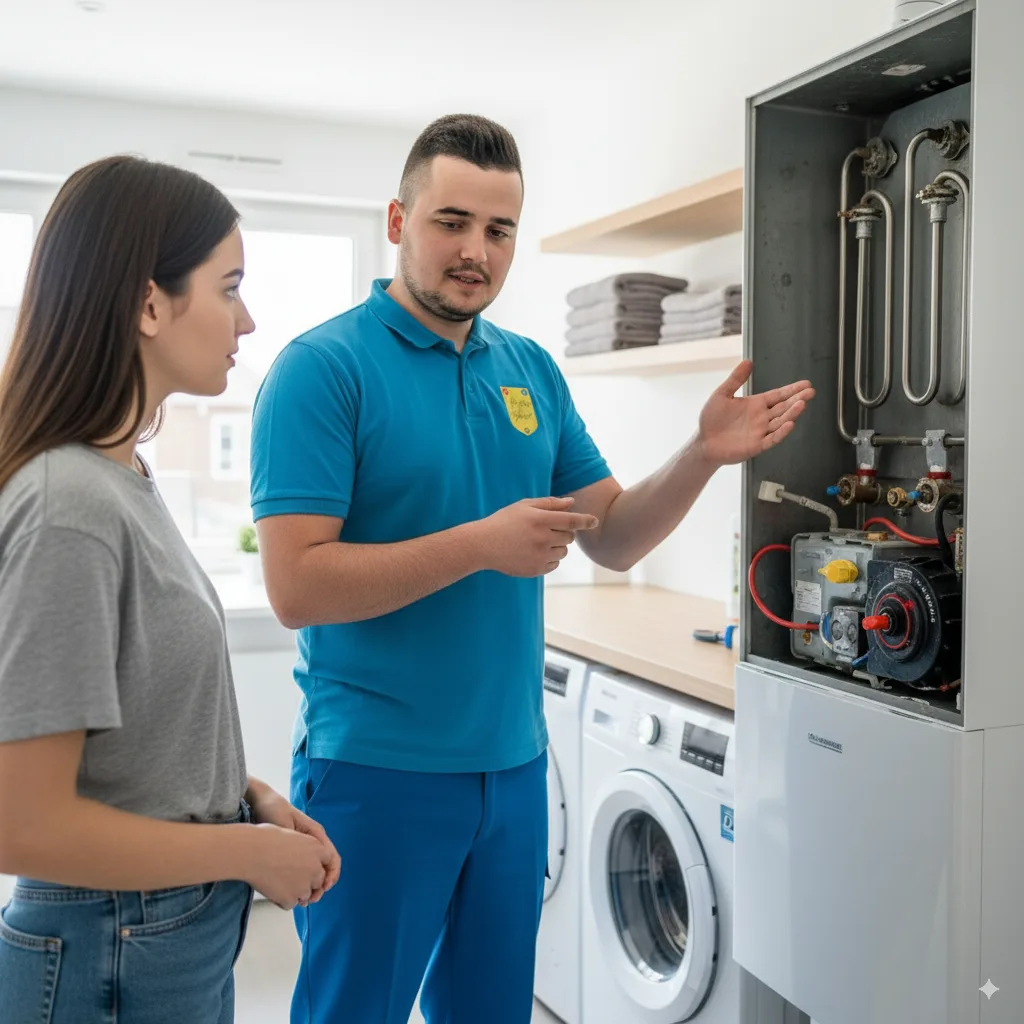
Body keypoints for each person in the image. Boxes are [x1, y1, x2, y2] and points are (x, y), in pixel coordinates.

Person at [251, 114, 813, 1024]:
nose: (476, 250)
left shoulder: (531, 373)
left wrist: (704, 453)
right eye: (452, 222)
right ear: (398, 222)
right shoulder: (323, 370)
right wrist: (481, 544)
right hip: (376, 774)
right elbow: (297, 586)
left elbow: (616, 535)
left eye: (500, 230)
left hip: (512, 769)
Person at [0, 155, 341, 1024]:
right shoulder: (69, 502)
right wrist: (244, 854)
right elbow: (21, 823)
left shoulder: (124, 478)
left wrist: (247, 802)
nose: (249, 317)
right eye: (229, 287)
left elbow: (132, 748)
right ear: (150, 303)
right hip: (109, 947)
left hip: (152, 938)